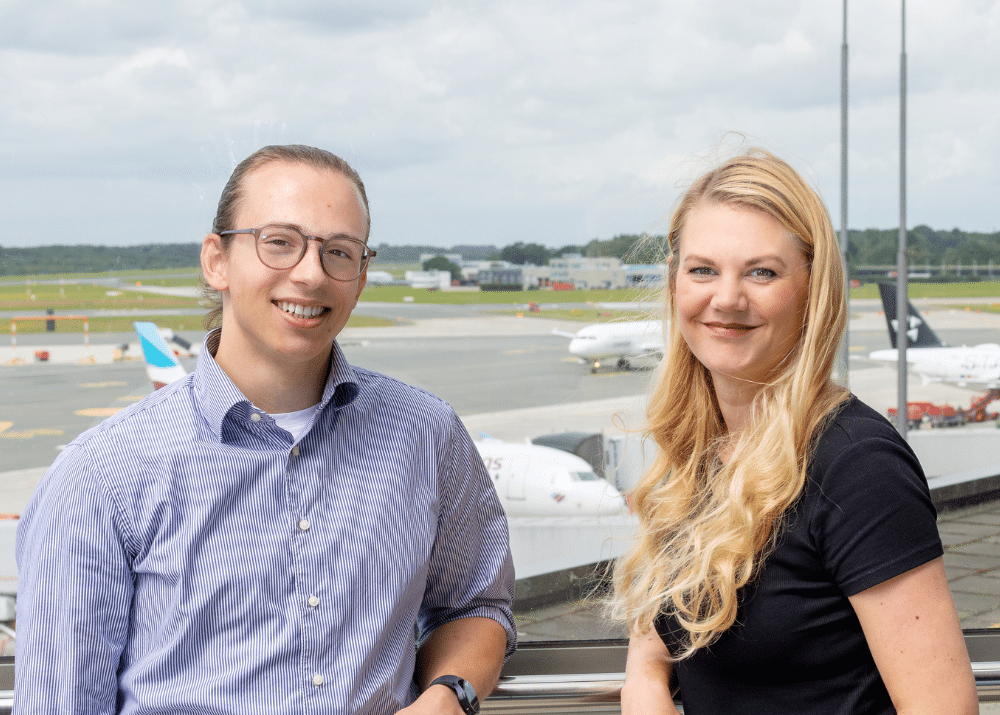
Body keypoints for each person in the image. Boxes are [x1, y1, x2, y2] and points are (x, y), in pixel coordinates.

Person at [15, 144, 515, 714]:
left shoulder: (427, 435)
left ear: (360, 278)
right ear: (217, 261)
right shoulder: (99, 476)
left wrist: (449, 696)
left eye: (339, 252)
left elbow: (476, 606)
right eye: (279, 242)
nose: (311, 273)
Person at [612, 149, 977, 714]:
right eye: (703, 269)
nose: (726, 299)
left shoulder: (857, 466)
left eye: (762, 272)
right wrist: (644, 679)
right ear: (674, 281)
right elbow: (665, 634)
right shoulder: (705, 450)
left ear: (812, 288)